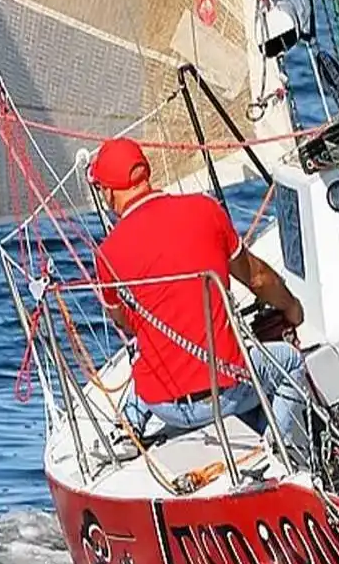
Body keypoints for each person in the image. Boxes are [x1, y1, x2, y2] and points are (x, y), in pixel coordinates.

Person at [88, 137, 313, 463]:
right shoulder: (204, 209)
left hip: (163, 407)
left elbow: (124, 322)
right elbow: (257, 279)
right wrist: (292, 307)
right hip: (229, 393)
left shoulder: (106, 255)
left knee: (143, 354)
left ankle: (127, 430)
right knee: (290, 362)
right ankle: (281, 452)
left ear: (108, 191)